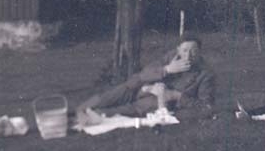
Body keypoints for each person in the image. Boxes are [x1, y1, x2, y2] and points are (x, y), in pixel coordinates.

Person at [76, 35, 216, 125]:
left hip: (152, 102)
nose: (188, 56)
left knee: (111, 114)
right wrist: (166, 69)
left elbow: (207, 108)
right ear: (178, 49)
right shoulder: (171, 57)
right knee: (111, 95)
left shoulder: (205, 74)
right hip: (138, 88)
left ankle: (87, 117)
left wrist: (176, 96)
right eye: (185, 50)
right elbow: (144, 74)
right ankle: (79, 110)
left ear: (200, 52)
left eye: (193, 51)